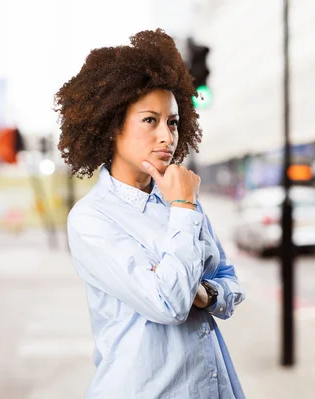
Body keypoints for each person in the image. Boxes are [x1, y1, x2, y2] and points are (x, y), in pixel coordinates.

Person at [55, 29, 246, 398]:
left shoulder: (178, 199)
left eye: (173, 122)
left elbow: (231, 281)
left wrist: (205, 293)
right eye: (150, 120)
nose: (166, 136)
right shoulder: (92, 218)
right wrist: (184, 211)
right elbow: (169, 303)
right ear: (112, 127)